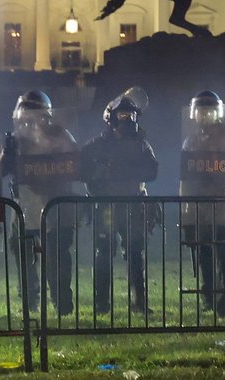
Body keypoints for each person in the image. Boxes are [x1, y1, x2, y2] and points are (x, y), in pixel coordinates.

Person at [0, 90, 82, 315]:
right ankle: (29, 301)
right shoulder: (16, 139)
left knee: (58, 254)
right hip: (24, 203)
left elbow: (76, 164)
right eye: (26, 115)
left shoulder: (61, 136)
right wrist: (6, 152)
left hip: (55, 201)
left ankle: (61, 301)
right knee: (23, 253)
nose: (30, 121)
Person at [81, 91, 159, 314]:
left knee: (135, 251)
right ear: (112, 118)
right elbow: (82, 171)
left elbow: (152, 171)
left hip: (133, 205)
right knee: (104, 251)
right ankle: (101, 304)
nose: (127, 119)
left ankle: (140, 303)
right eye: (123, 114)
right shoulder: (96, 145)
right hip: (106, 206)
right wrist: (101, 173)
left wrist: (124, 170)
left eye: (131, 115)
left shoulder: (142, 145)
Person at [179, 90, 225, 318]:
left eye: (209, 112)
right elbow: (185, 176)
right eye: (201, 112)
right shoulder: (192, 140)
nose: (205, 117)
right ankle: (208, 295)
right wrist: (187, 209)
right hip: (199, 206)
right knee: (204, 251)